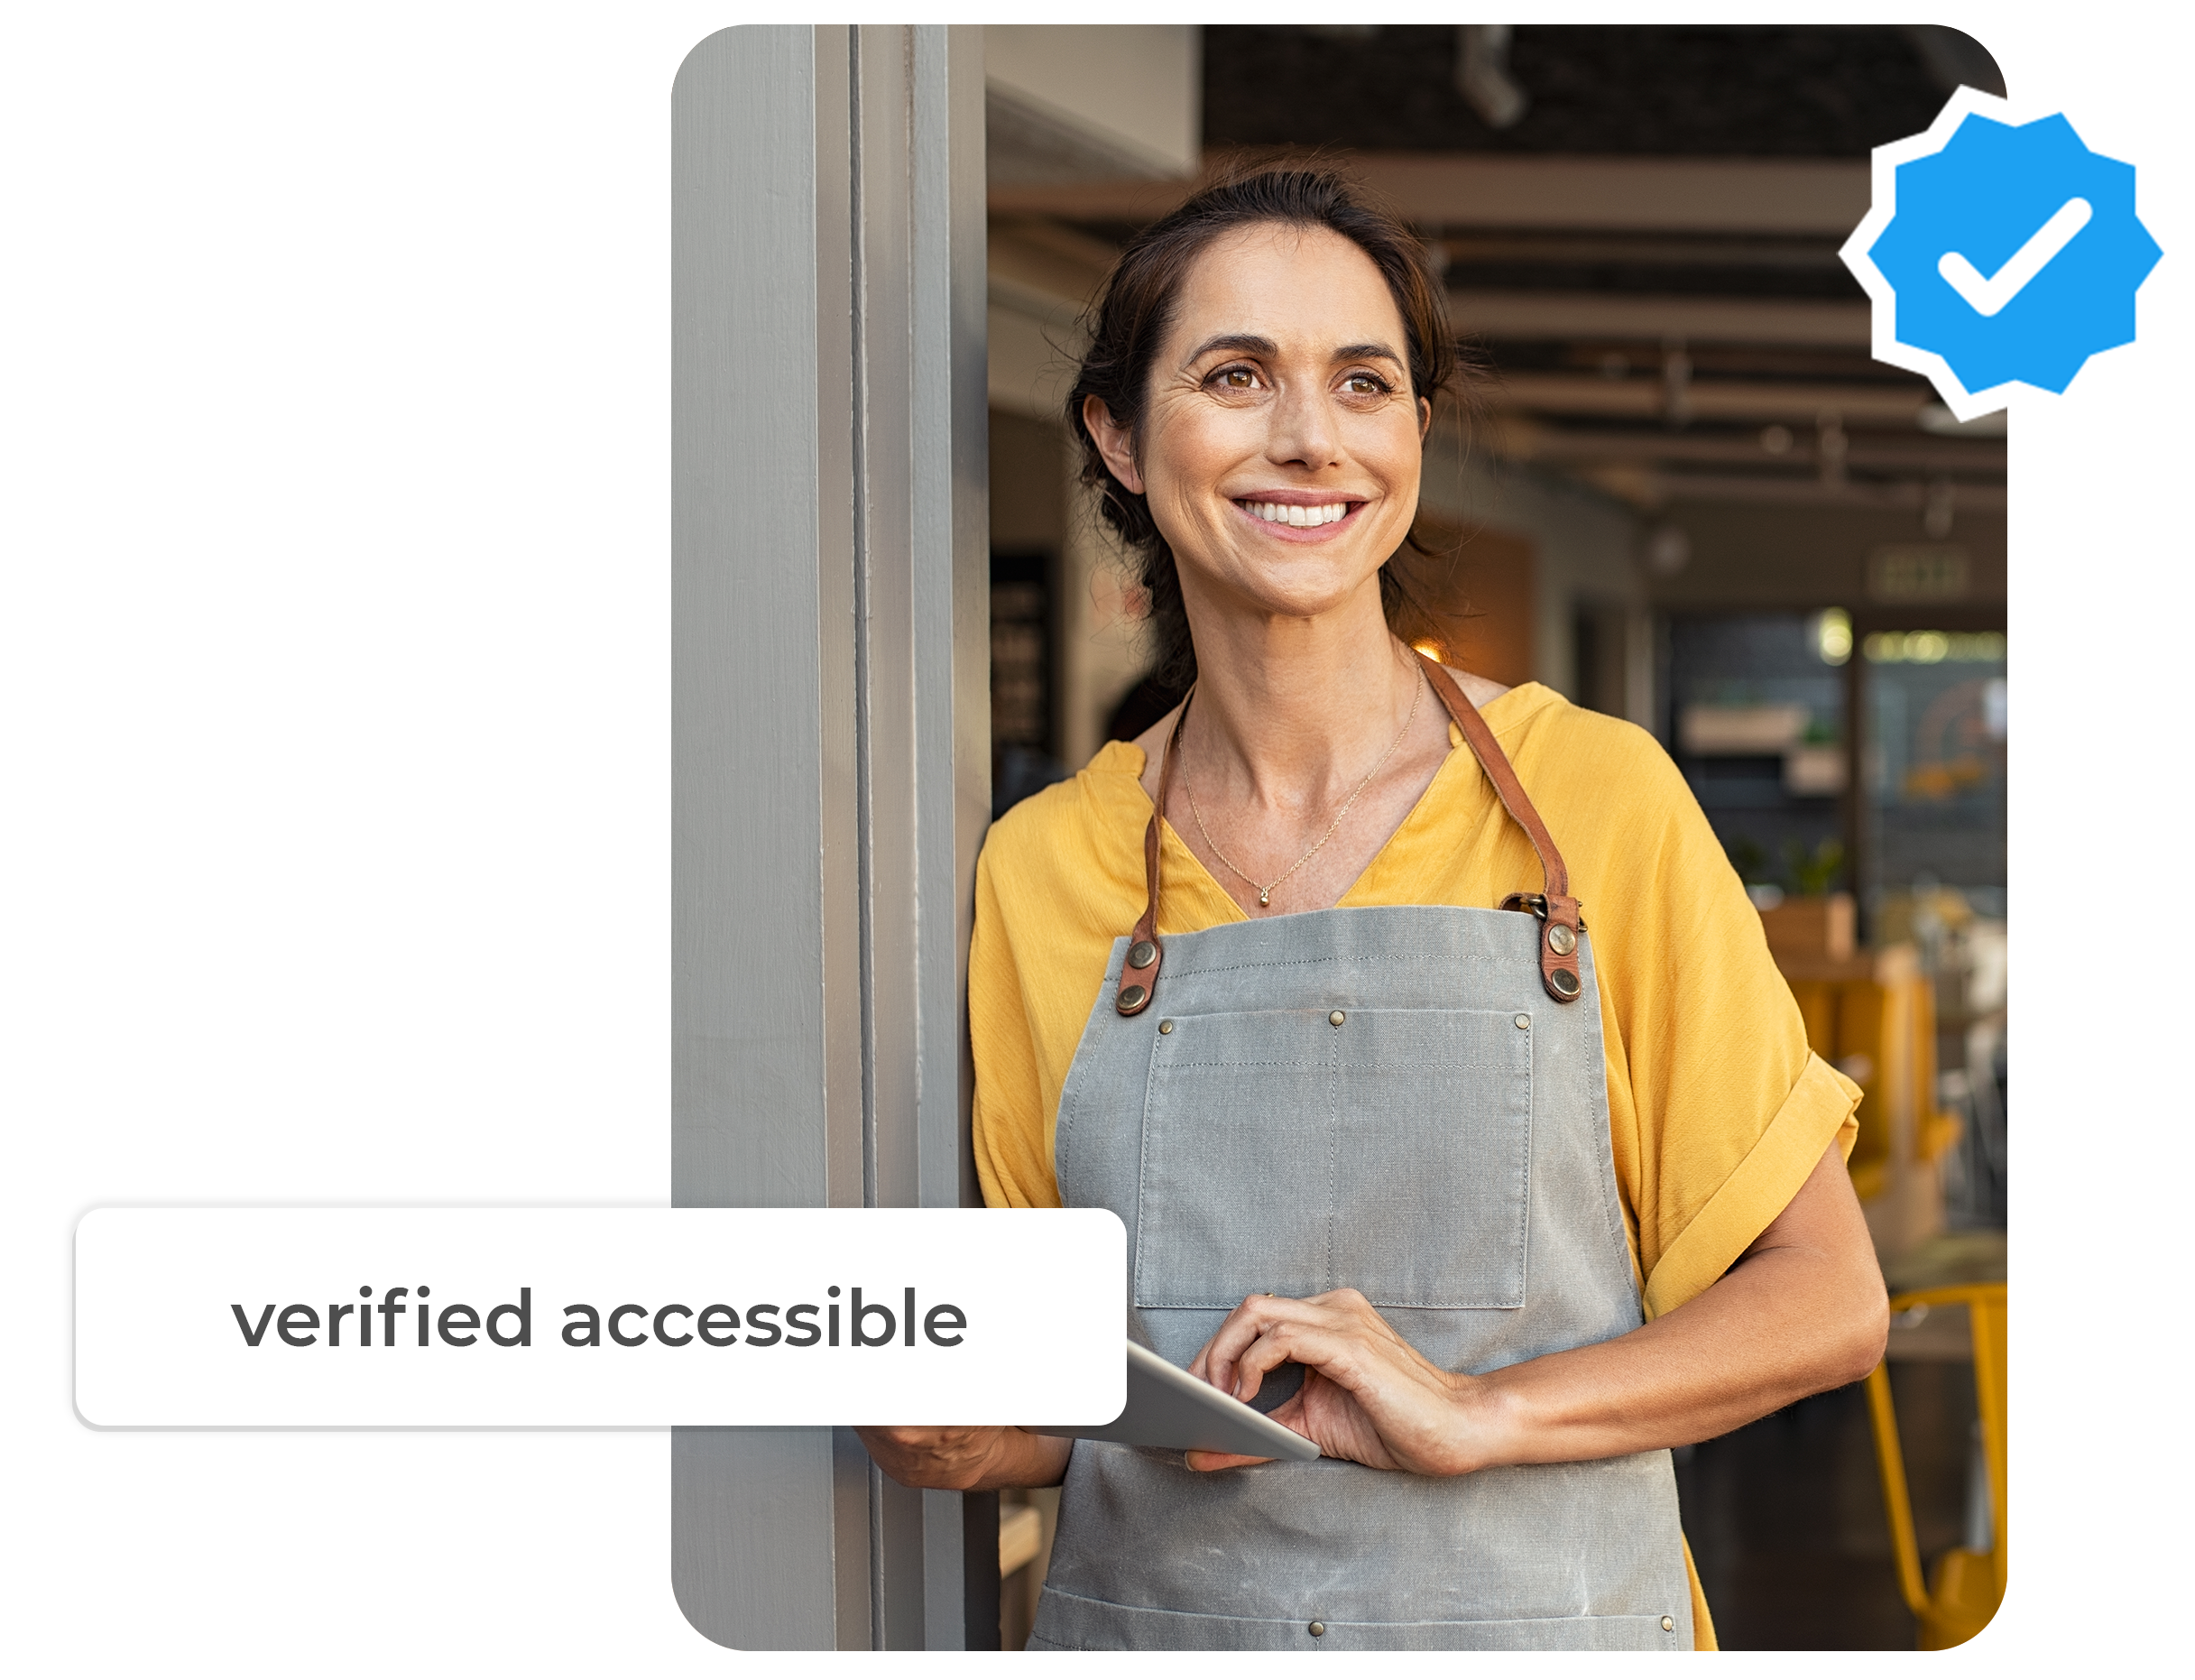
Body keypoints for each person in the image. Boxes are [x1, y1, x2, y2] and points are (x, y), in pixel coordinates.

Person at [858, 166, 1887, 1651]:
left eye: (1363, 382)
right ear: (1119, 437)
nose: (1308, 437)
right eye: (1234, 376)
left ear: (1411, 432)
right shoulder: (1041, 869)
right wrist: (958, 1434)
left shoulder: (1599, 800)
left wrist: (1483, 1411)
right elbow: (1077, 1394)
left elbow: (1829, 1297)